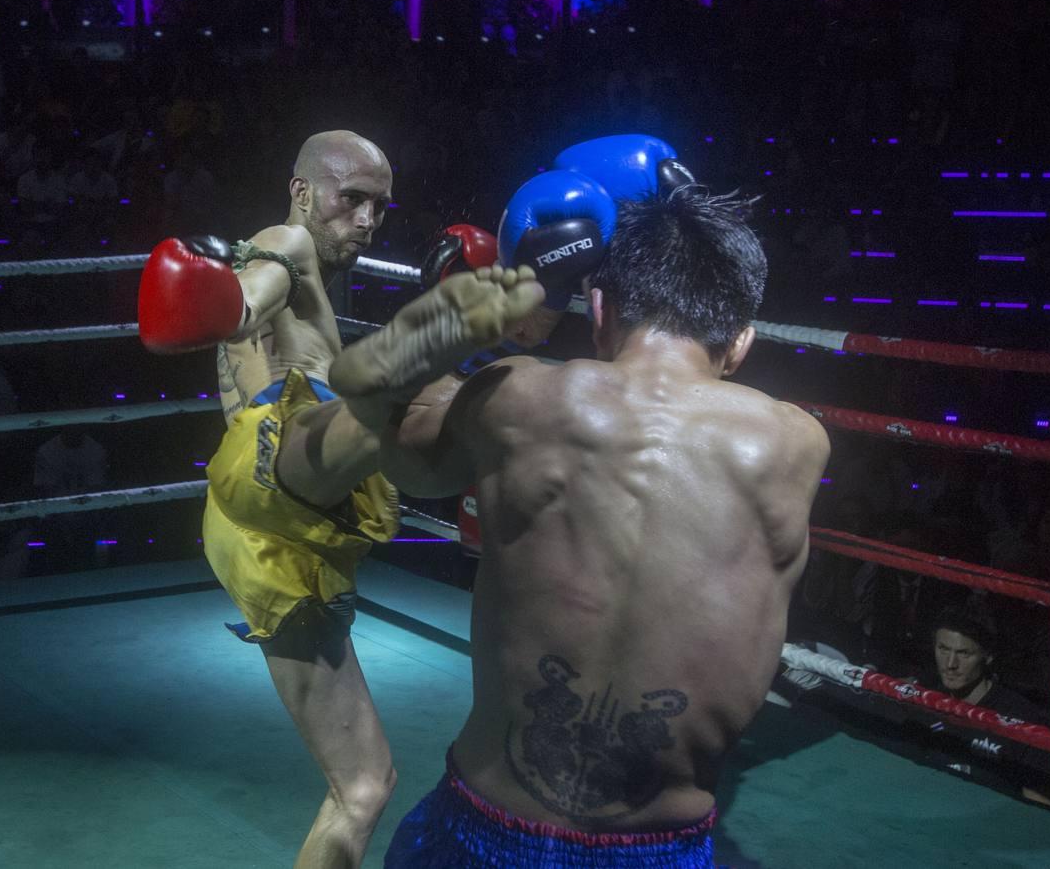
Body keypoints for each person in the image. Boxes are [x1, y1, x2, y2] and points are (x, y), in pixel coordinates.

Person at [335, 149, 831, 865]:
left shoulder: (520, 397)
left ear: (599, 309)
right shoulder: (795, 444)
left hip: (478, 829)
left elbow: (394, 438)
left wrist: (484, 314)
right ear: (742, 342)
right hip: (658, 849)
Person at [138, 129, 544, 869]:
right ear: (302, 191)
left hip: (278, 539)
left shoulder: (320, 272)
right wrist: (221, 300)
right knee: (399, 404)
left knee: (363, 786)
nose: (365, 220)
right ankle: (399, 386)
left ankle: (413, 387)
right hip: (275, 454)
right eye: (350, 199)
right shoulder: (285, 240)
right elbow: (250, 297)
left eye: (379, 209)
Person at [924, 602, 1050, 806]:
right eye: (943, 649)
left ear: (988, 656)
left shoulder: (1021, 719)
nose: (950, 664)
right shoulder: (923, 696)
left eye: (964, 653)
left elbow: (1042, 808)